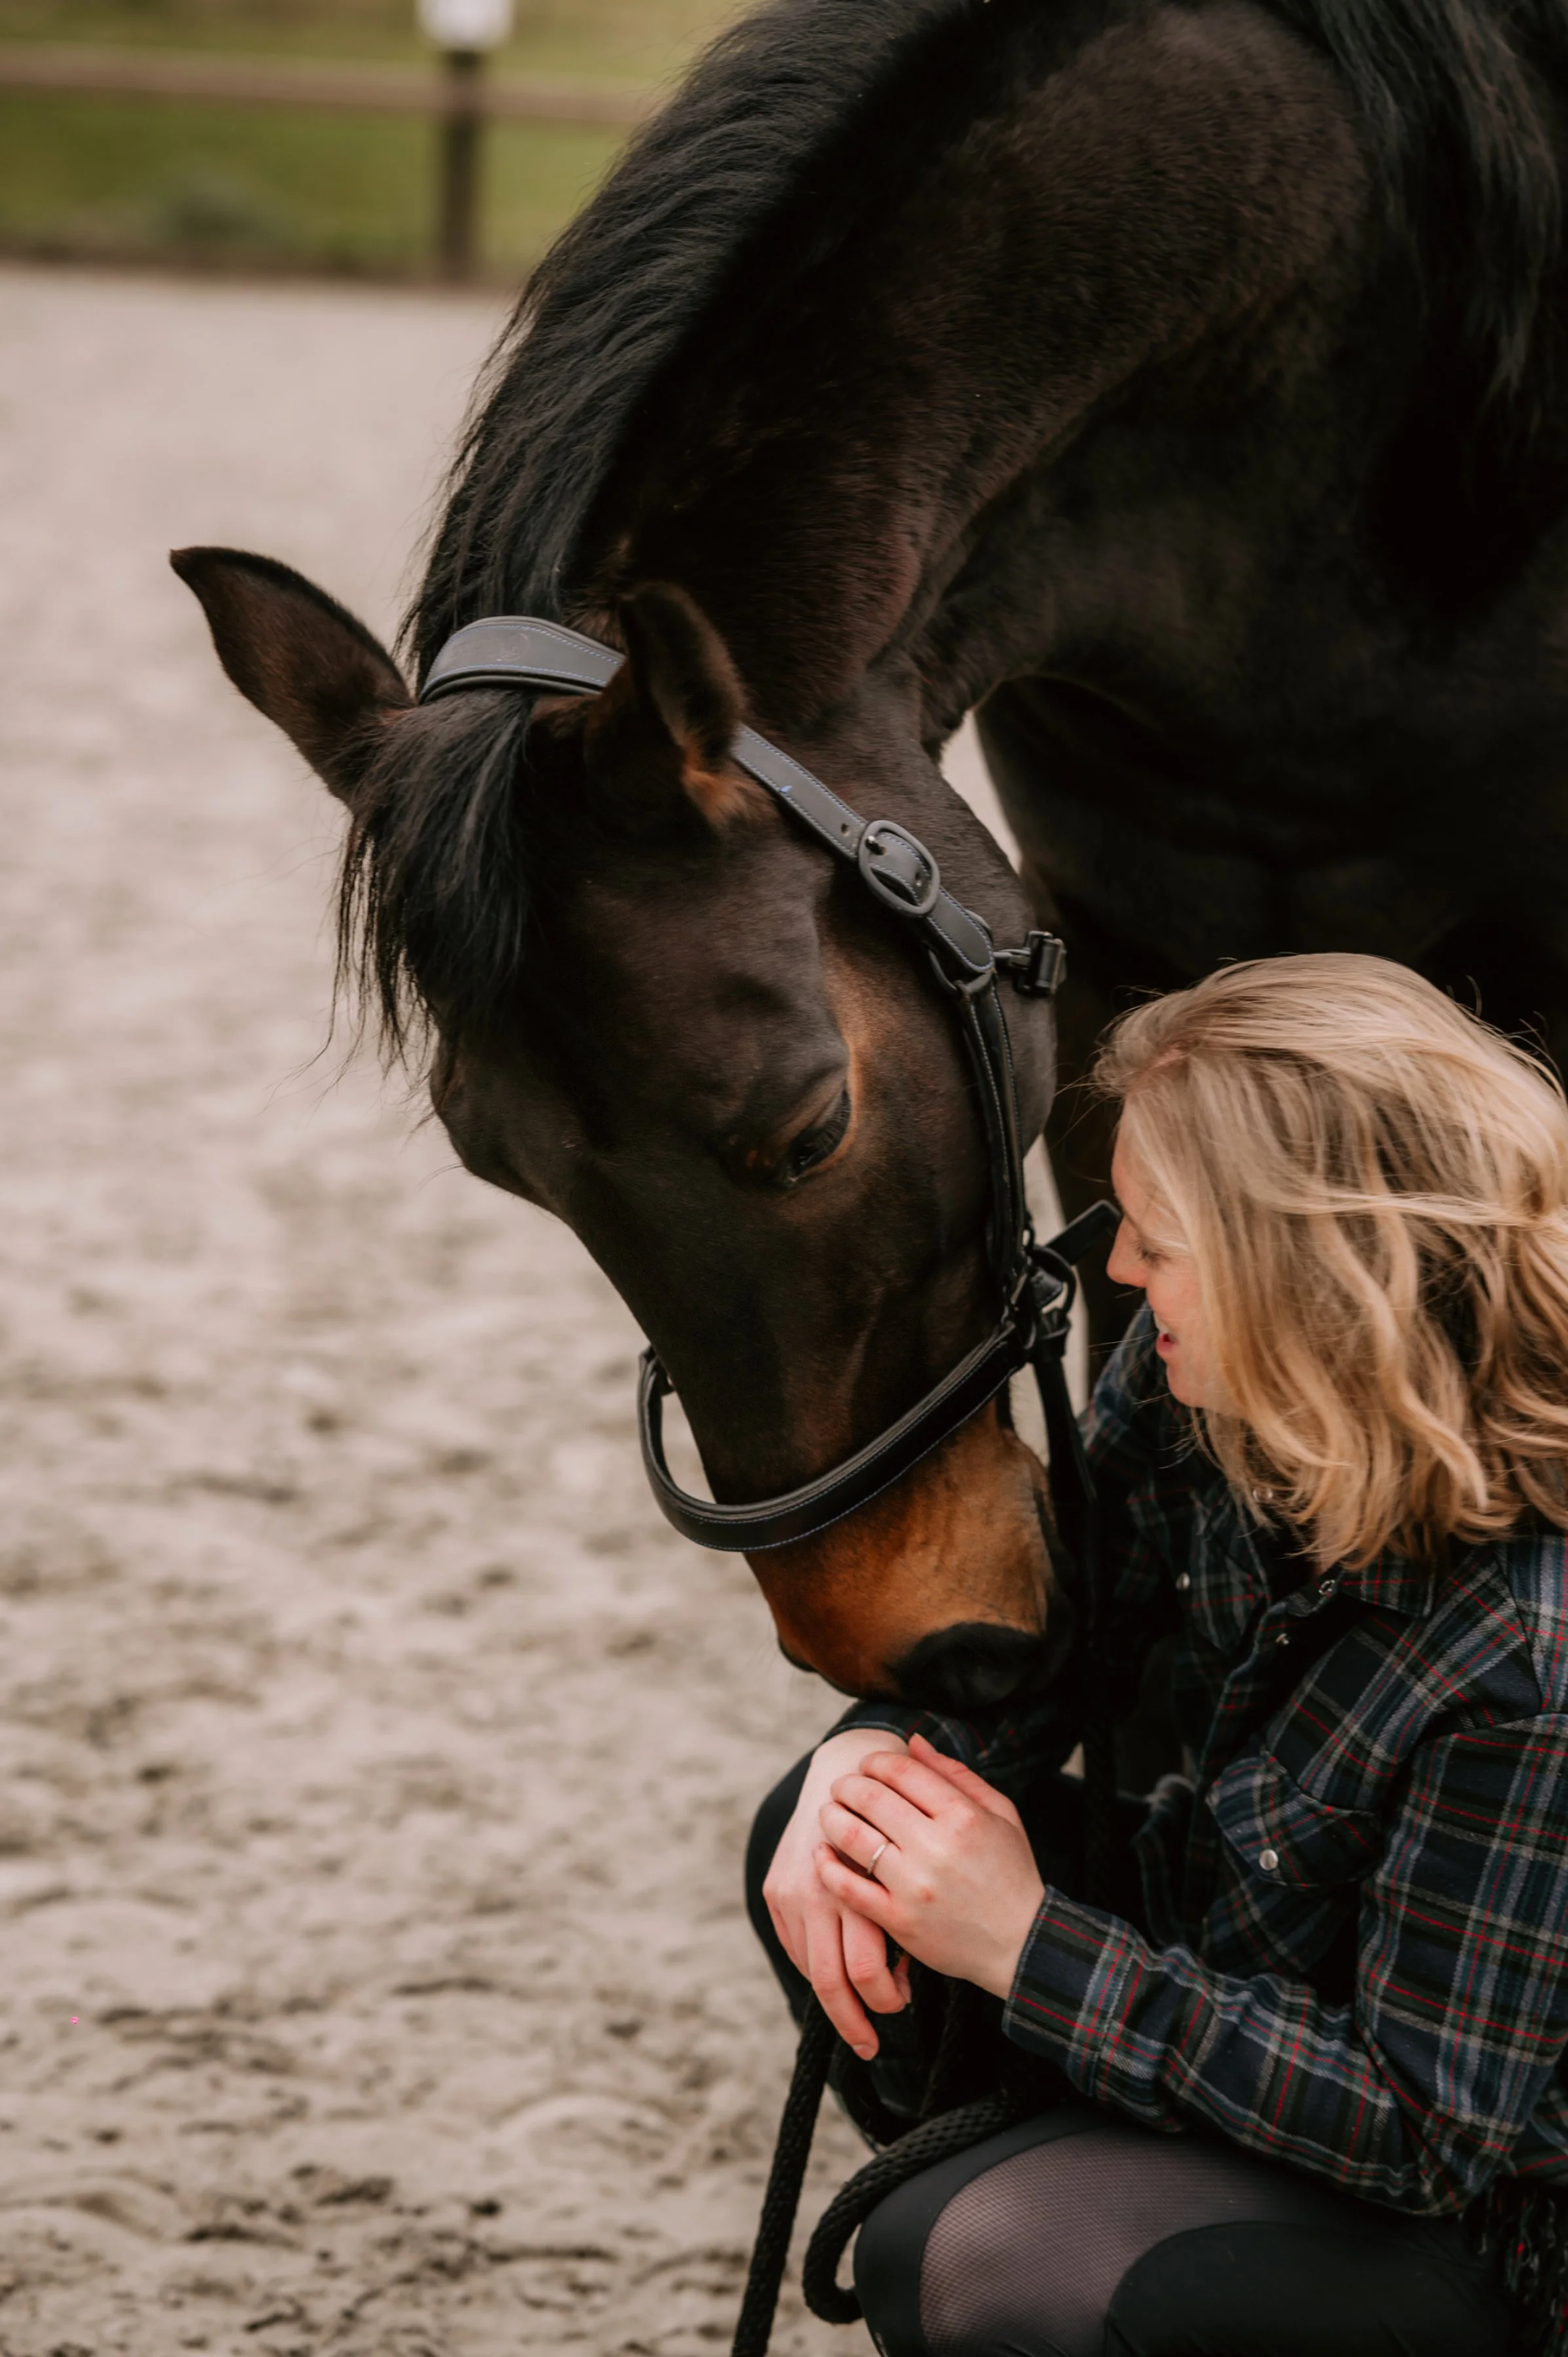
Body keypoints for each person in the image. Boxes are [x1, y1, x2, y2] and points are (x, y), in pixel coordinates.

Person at [748, 953, 1568, 2357]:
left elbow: (1427, 2131)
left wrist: (1028, 1947)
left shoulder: (1531, 1656)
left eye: (1156, 1238)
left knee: (981, 2262)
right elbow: (1062, 1639)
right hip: (1233, 1961)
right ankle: (1073, 2191)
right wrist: (877, 1752)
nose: (1118, 1272)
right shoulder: (1207, 1378)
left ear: (1309, 1275)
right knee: (842, 1844)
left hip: (1471, 2215)